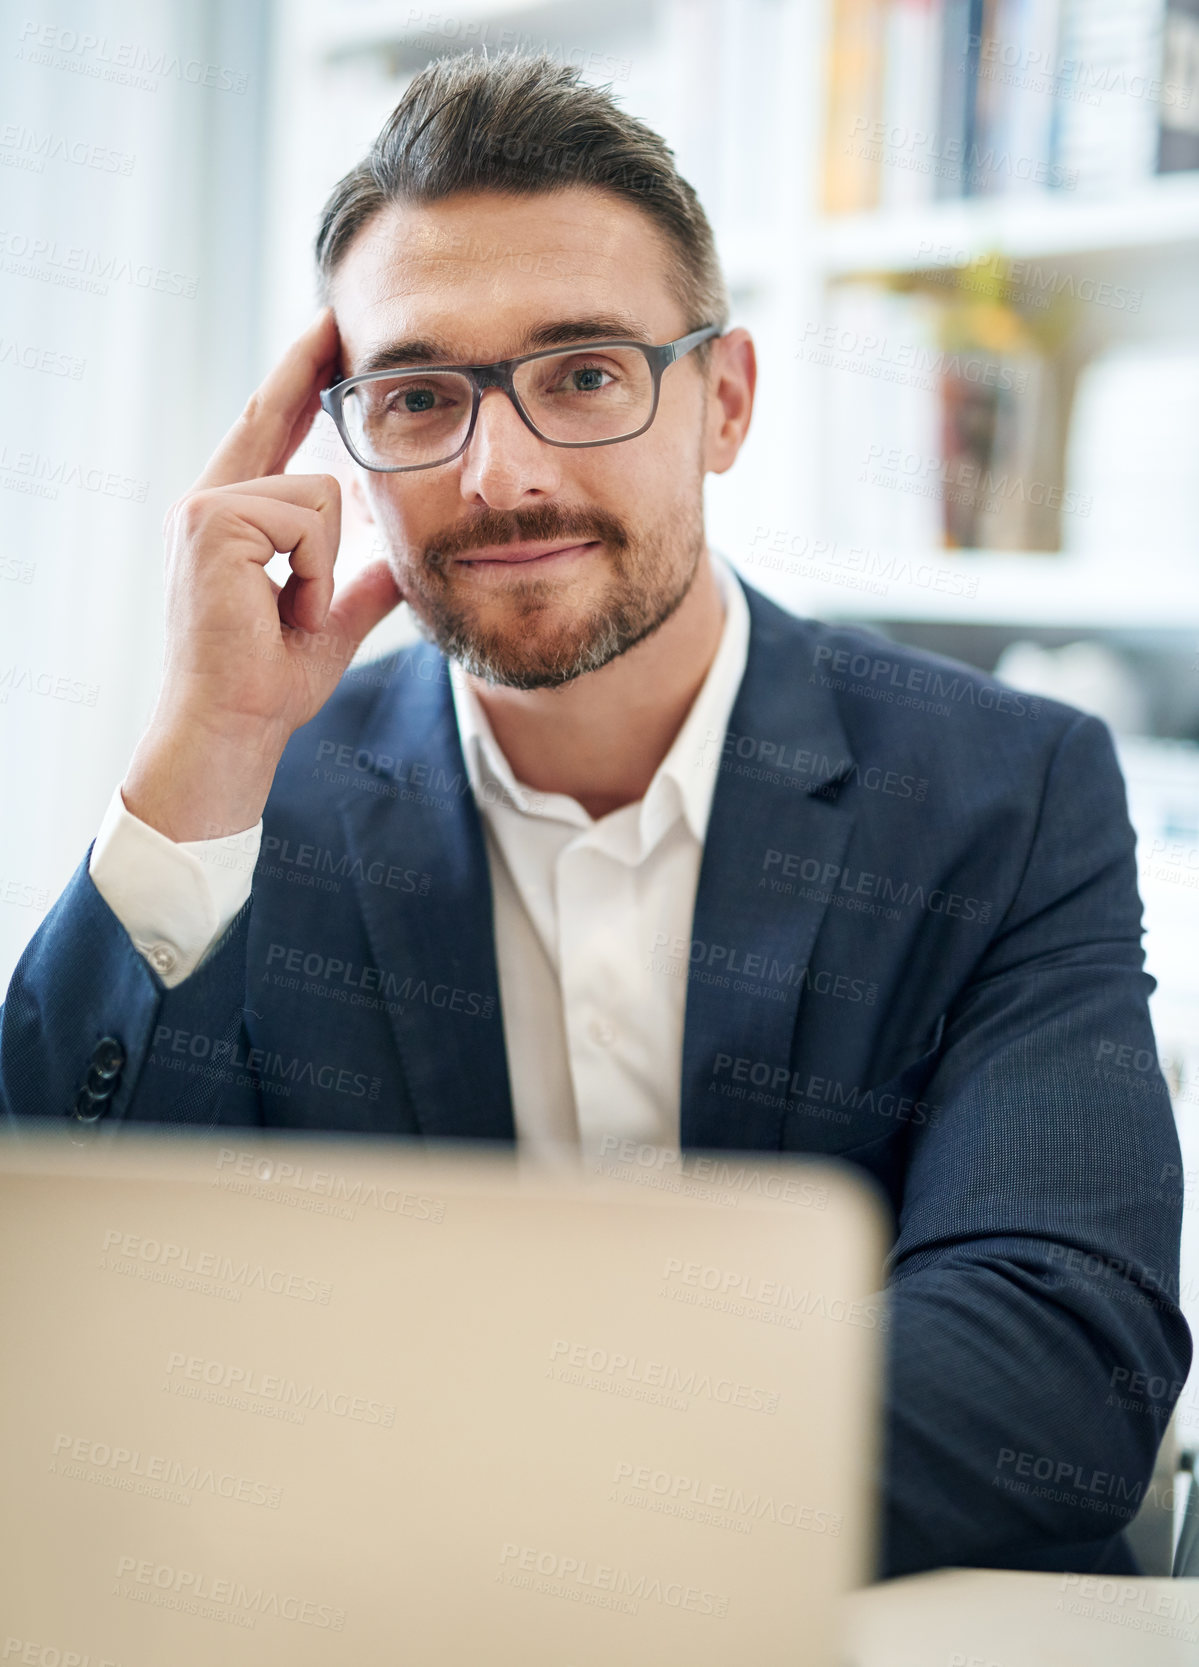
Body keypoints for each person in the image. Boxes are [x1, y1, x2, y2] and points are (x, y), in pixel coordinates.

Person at [0, 53, 1189, 1580]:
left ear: (726, 402)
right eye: (419, 397)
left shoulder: (1002, 792)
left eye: (583, 373)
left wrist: (477, 1472)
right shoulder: (241, 810)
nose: (502, 475)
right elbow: (62, 1323)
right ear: (342, 440)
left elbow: (1057, 1361)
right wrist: (201, 753)